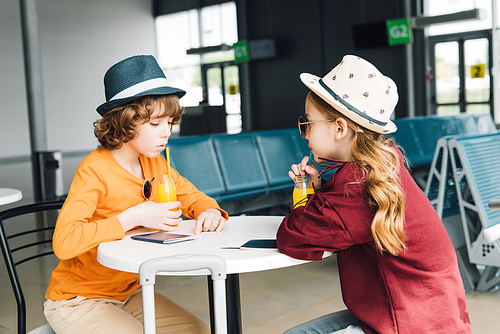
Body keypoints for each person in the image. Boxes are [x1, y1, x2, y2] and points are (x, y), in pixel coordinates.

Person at [276, 55, 471, 334]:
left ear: (340, 128)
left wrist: (307, 193)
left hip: (409, 323)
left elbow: (291, 237)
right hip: (432, 315)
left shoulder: (356, 184)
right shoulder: (379, 165)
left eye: (308, 123)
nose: (304, 134)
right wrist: (318, 190)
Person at [43, 55, 228, 334]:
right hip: (79, 299)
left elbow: (192, 196)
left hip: (129, 291)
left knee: (198, 331)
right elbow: (64, 242)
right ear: (124, 122)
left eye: (170, 122)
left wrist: (210, 210)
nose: (166, 133)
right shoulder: (95, 170)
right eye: (155, 124)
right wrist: (130, 218)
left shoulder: (154, 161)